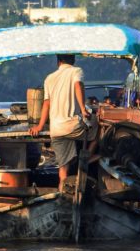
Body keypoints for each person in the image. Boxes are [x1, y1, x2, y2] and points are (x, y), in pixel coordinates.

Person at [29, 54, 97, 191]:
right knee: (97, 124)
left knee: (63, 171)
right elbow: (78, 85)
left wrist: (40, 126)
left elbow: (46, 104)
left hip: (57, 130)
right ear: (73, 61)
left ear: (58, 62)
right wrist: (83, 109)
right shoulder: (76, 71)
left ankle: (62, 194)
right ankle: (88, 157)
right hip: (73, 127)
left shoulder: (49, 78)